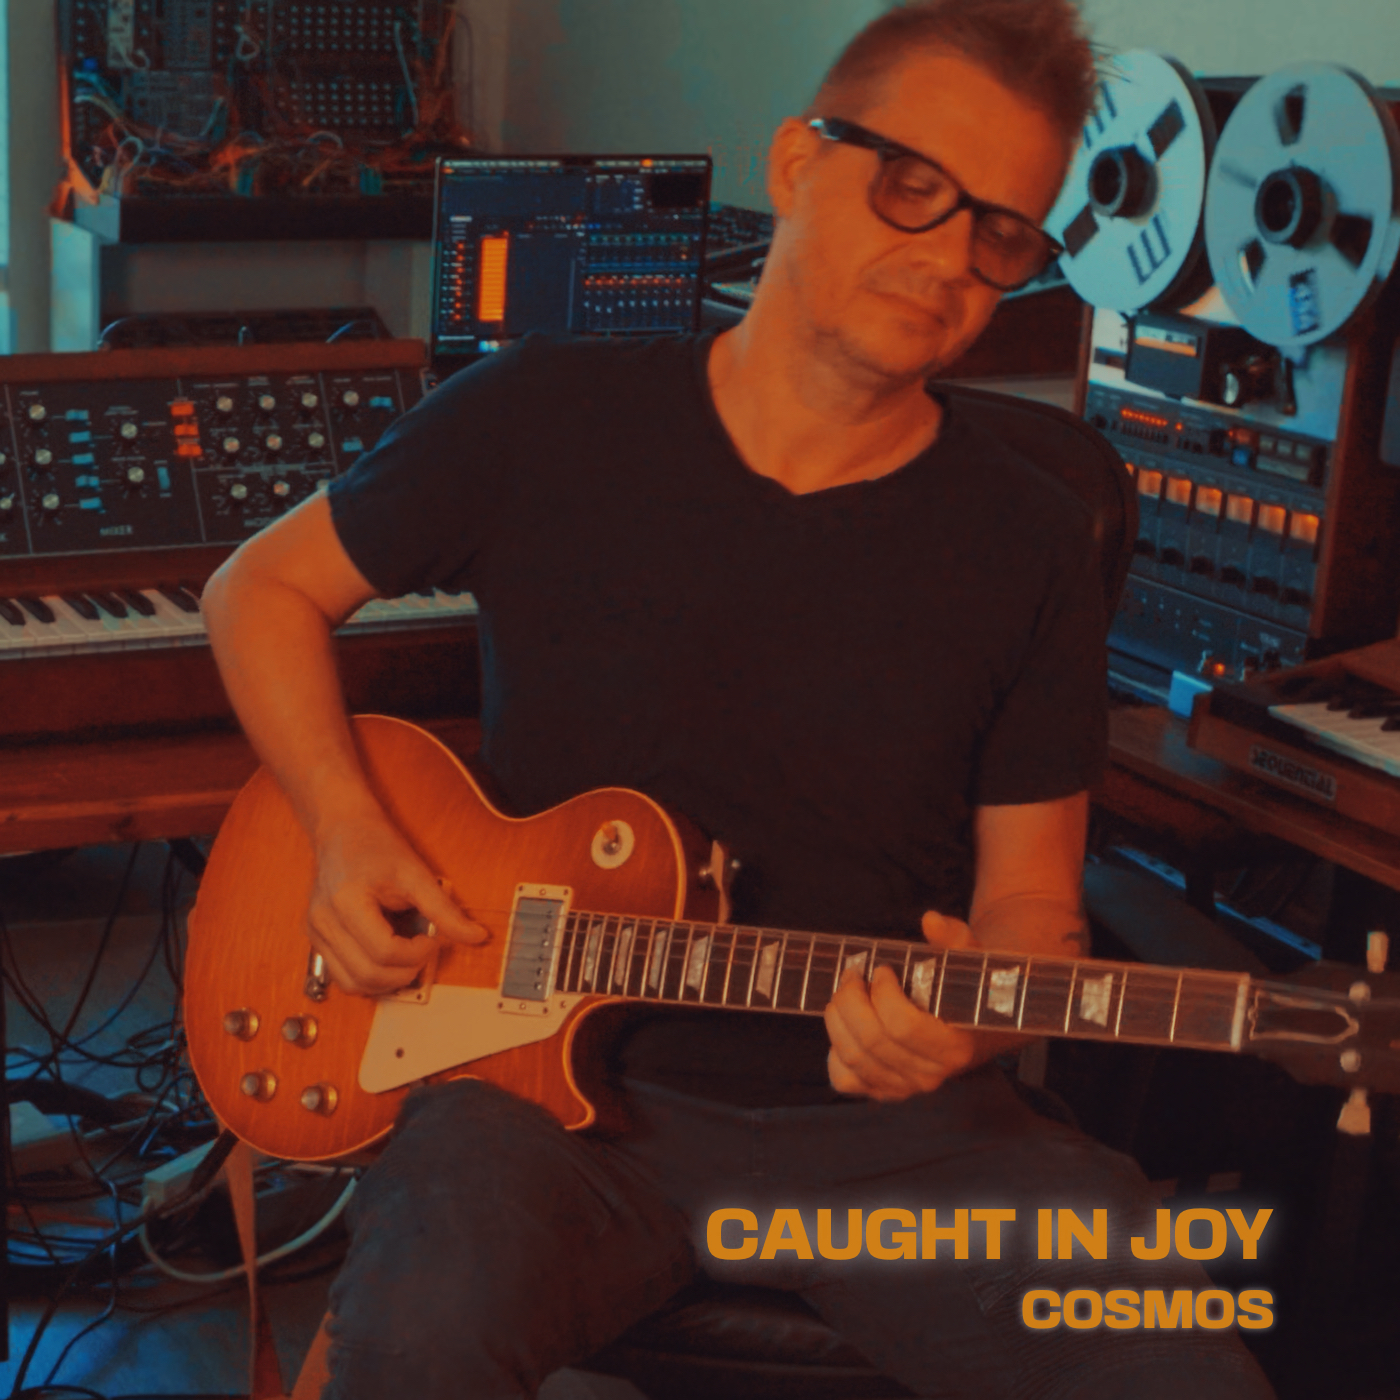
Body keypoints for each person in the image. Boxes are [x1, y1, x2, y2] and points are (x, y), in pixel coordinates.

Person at [202, 2, 1278, 1396]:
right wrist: (347, 832)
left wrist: (977, 1022)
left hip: (896, 1145)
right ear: (797, 161)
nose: (950, 257)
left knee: (1175, 1372)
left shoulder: (1029, 540)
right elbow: (260, 591)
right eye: (914, 186)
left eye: (1002, 233)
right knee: (419, 1344)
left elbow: (1033, 907)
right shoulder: (538, 416)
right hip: (538, 1108)